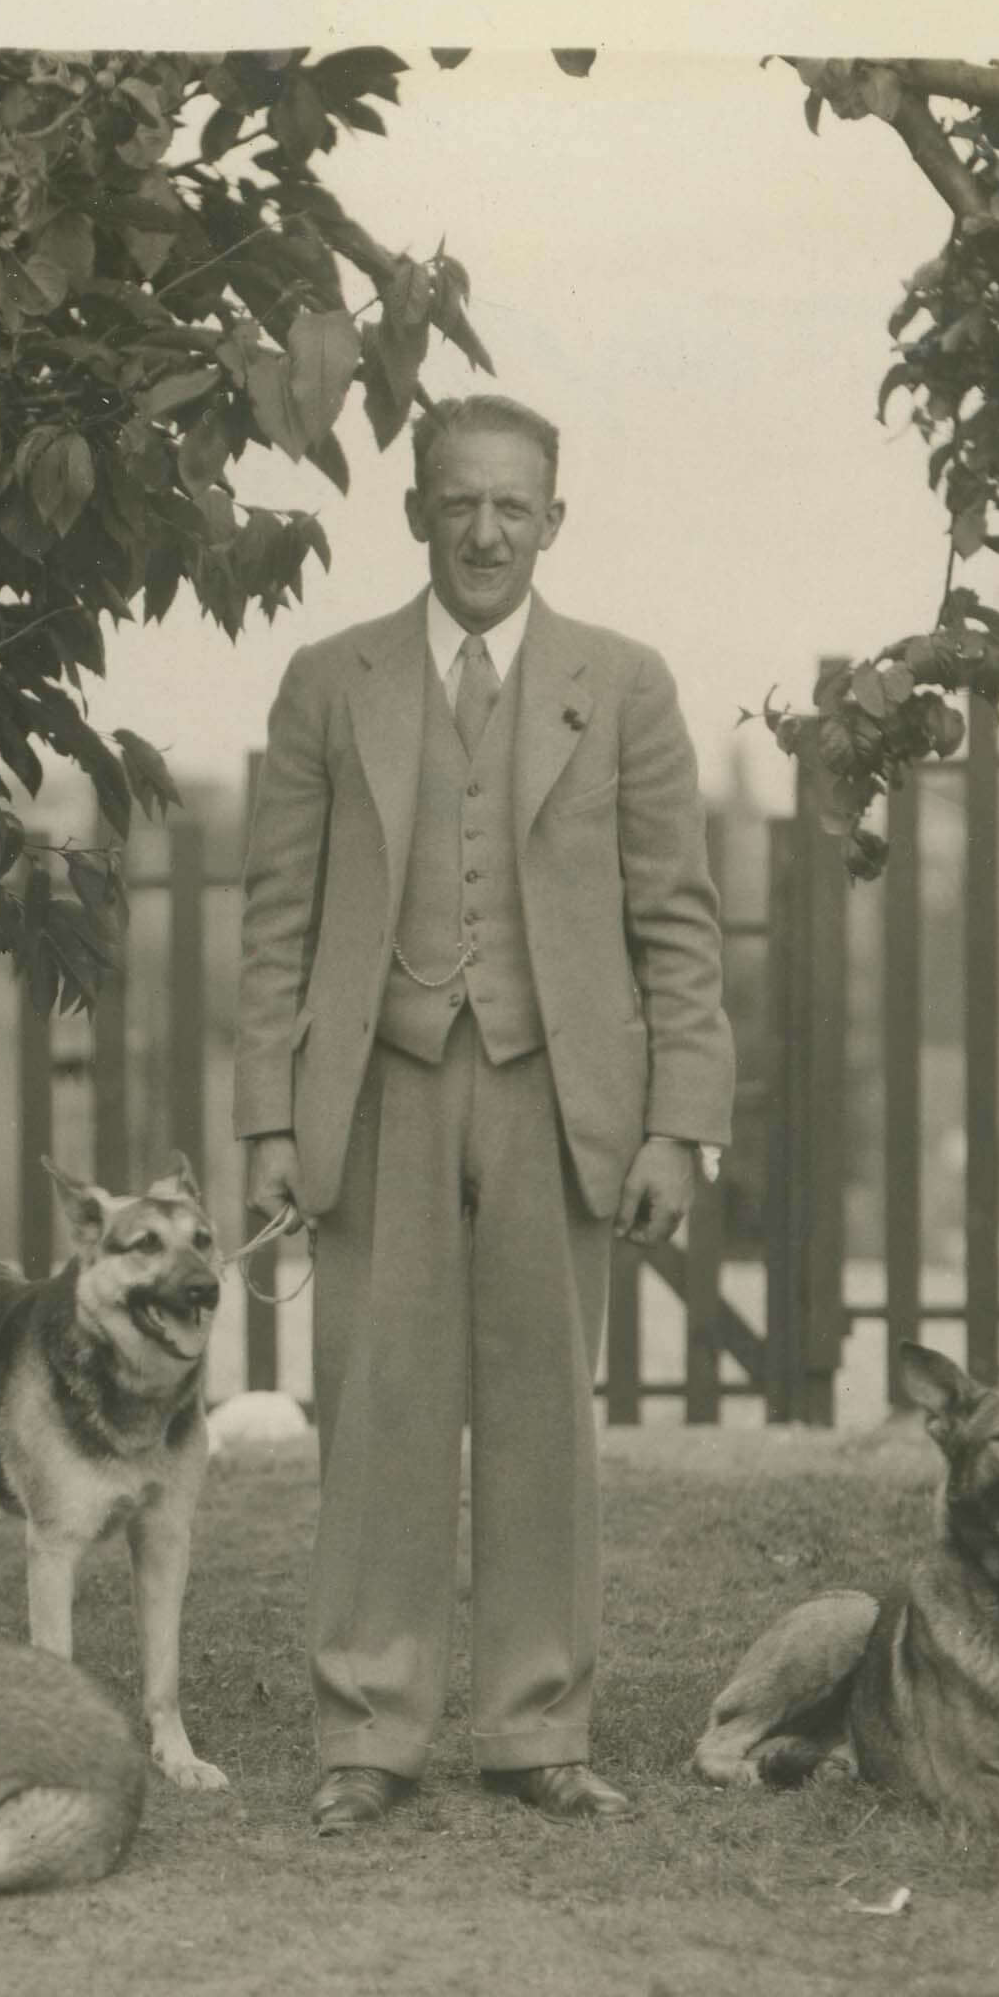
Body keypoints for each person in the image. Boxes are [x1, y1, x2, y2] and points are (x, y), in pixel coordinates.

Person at [233, 393, 735, 1834]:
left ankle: (539, 1726)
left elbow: (679, 923)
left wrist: (676, 1123)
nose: (486, 530)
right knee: (378, 1405)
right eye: (460, 501)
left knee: (541, 1415)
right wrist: (269, 1118)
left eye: (515, 505)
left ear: (554, 521)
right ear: (416, 513)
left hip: (556, 1092)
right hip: (380, 1089)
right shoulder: (331, 682)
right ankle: (368, 1731)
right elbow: (275, 919)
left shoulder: (622, 684)